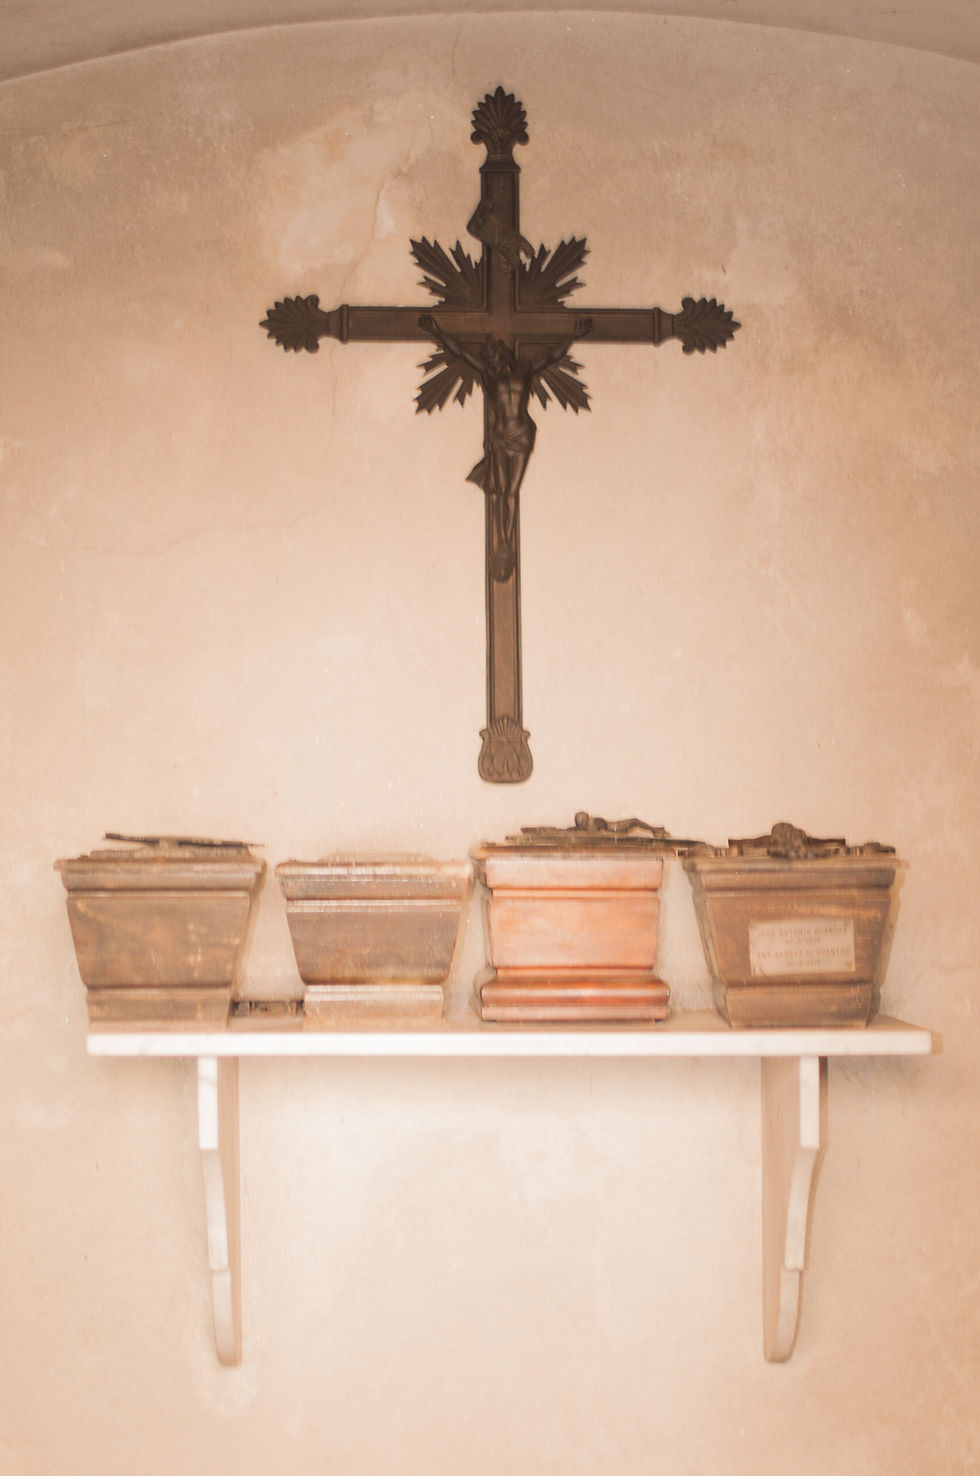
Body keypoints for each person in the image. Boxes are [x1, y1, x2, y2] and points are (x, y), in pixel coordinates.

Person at [419, 312, 592, 579]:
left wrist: (574, 336)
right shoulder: (488, 375)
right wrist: (437, 332)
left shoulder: (525, 371)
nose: (491, 359)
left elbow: (552, 356)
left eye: (493, 354)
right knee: (501, 490)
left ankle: (506, 542)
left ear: (503, 354)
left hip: (522, 435)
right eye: (489, 357)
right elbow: (461, 353)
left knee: (512, 489)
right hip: (500, 437)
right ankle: (503, 541)